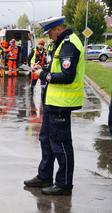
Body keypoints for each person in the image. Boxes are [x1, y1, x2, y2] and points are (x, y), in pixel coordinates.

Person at [24, 16, 85, 195]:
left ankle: (64, 184)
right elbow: (57, 68)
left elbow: (67, 76)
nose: (50, 36)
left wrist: (43, 74)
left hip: (62, 104)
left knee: (61, 144)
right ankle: (44, 176)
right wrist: (43, 68)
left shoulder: (69, 44)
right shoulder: (62, 43)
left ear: (59, 28)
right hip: (53, 102)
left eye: (50, 32)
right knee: (46, 140)